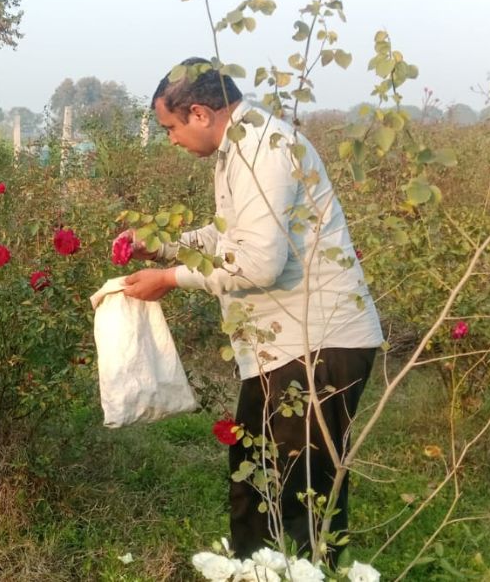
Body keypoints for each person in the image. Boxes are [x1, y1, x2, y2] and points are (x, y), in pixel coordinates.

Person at [115, 57, 384, 561]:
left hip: (318, 342)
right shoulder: (239, 146)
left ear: (199, 112)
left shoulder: (262, 148)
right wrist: (167, 246)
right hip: (284, 343)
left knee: (301, 494)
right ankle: (252, 571)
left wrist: (170, 278)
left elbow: (258, 262)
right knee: (257, 479)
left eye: (169, 127)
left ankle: (298, 573)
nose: (170, 139)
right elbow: (229, 235)